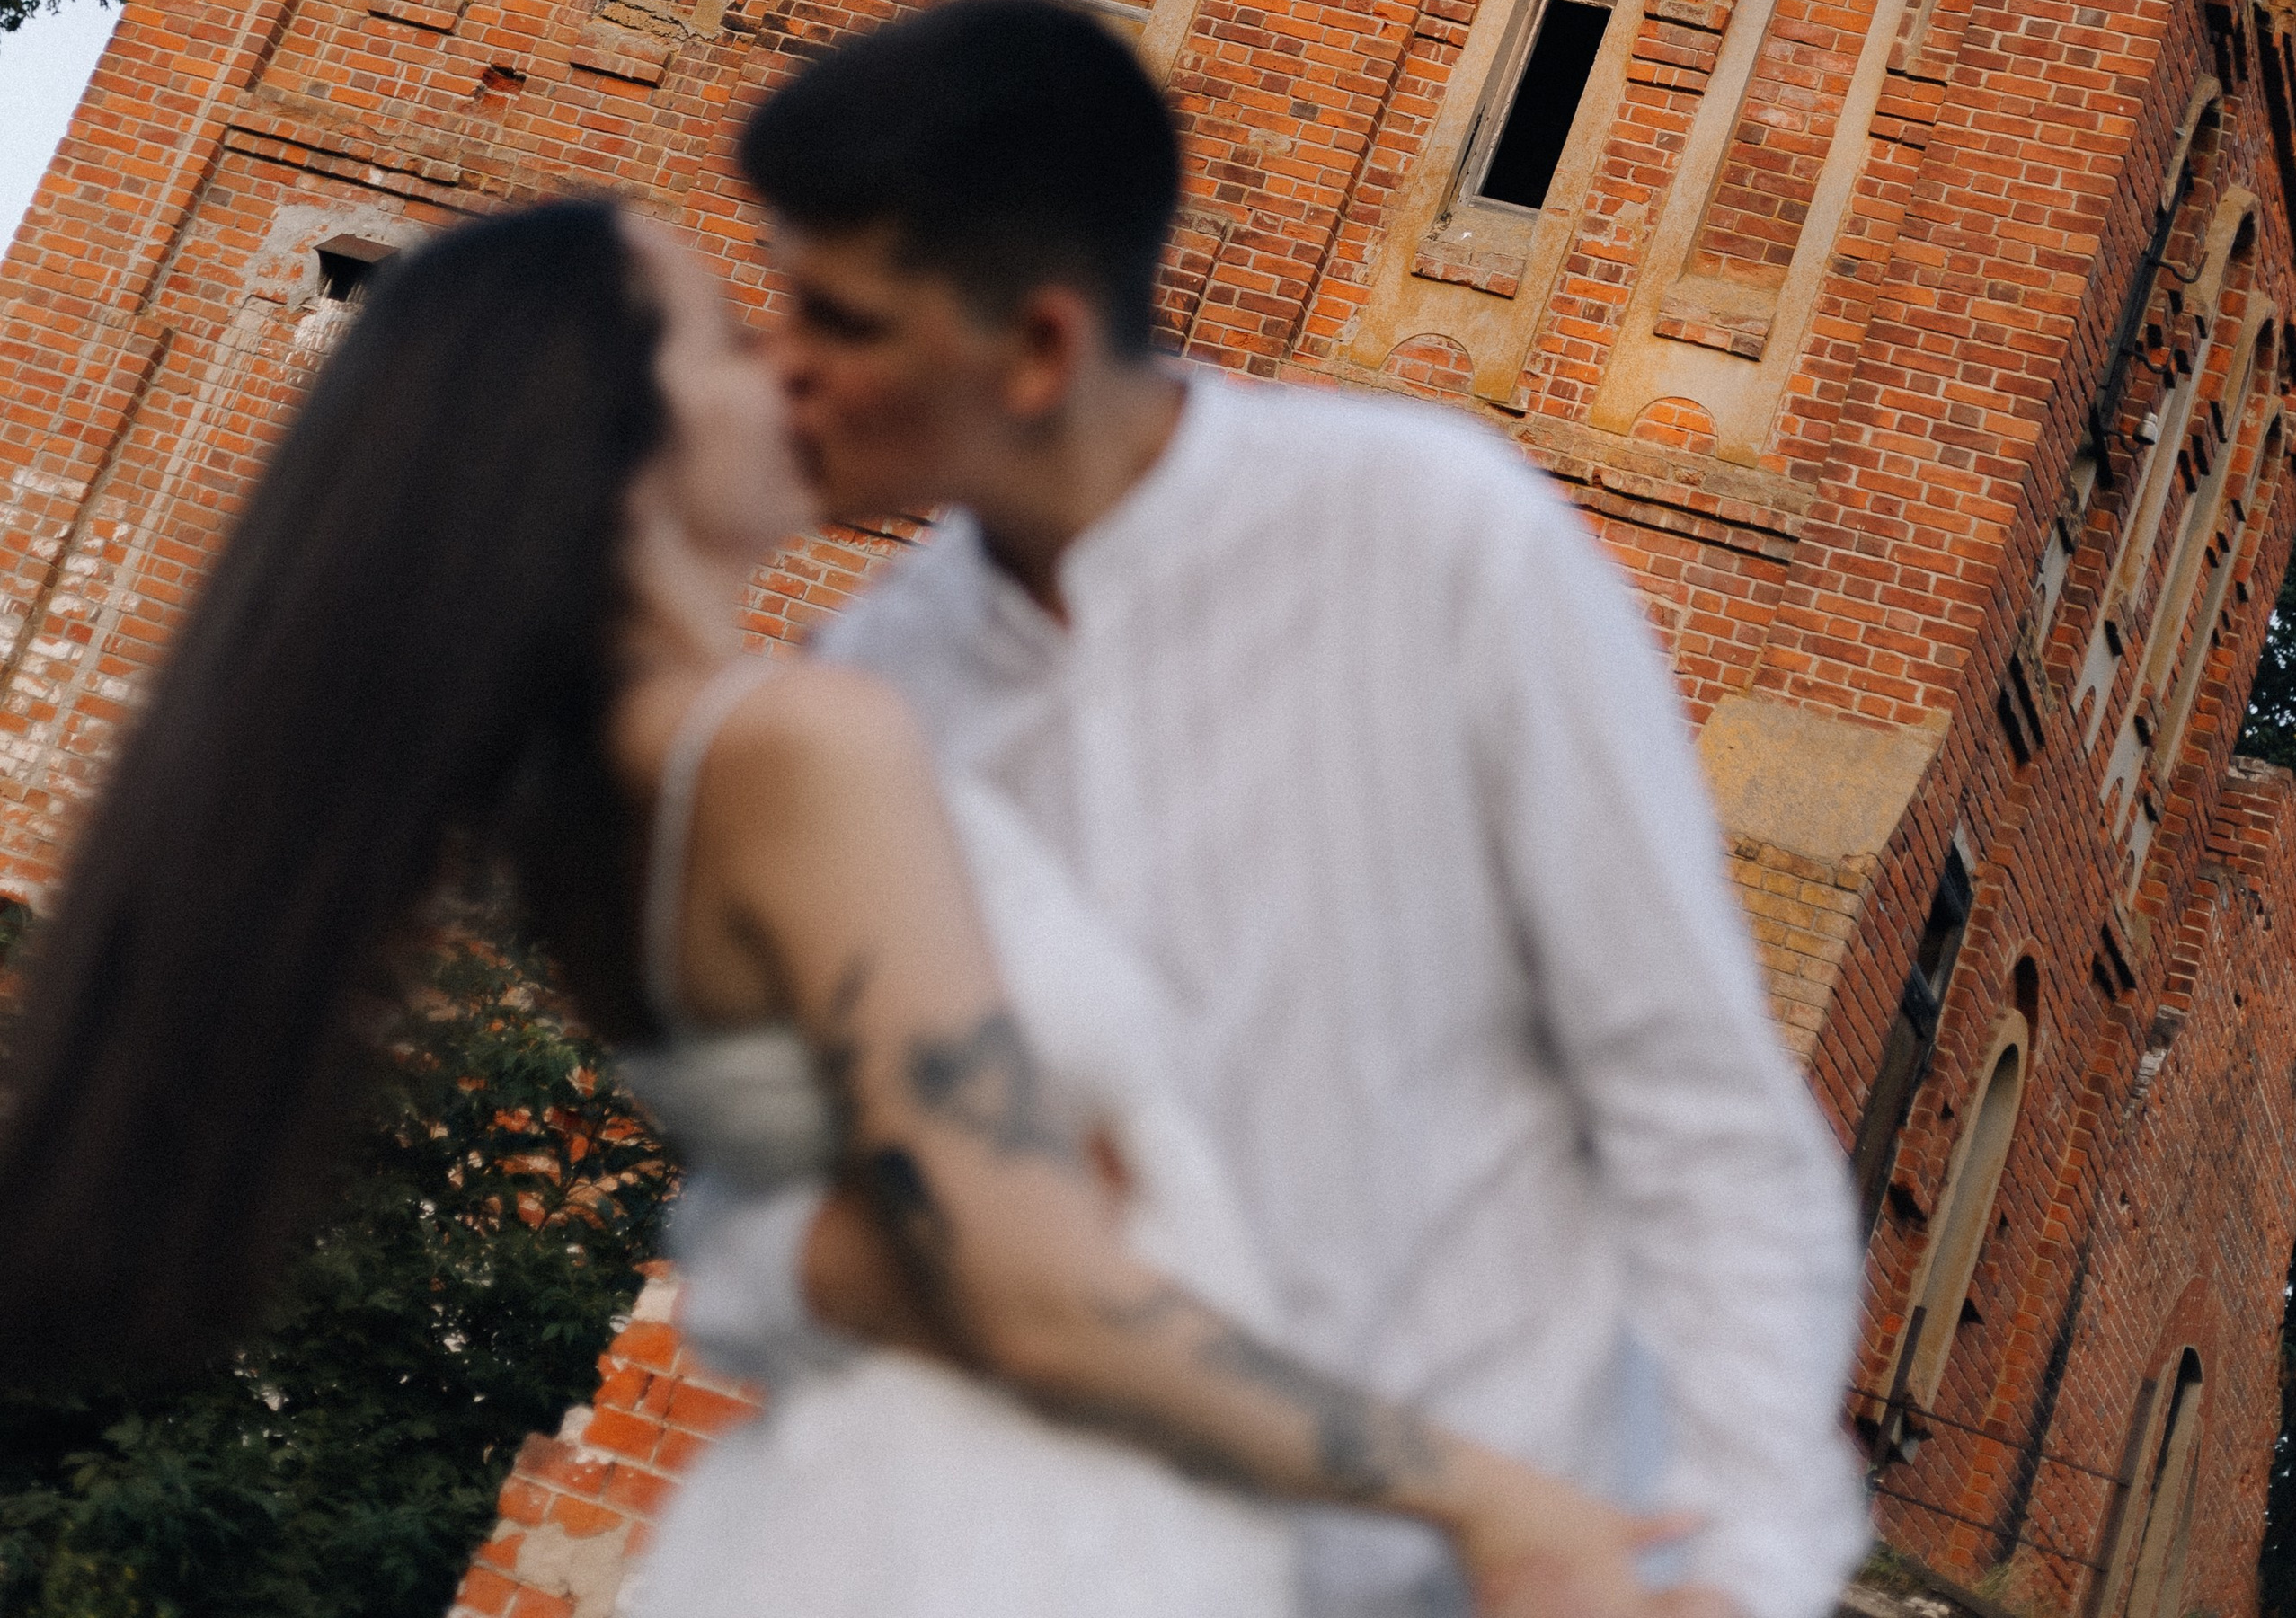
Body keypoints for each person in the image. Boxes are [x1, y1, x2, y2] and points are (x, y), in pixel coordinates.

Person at [0, 195, 1683, 1618]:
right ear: (615, 437)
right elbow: (1025, 1275)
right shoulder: (791, 745)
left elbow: (874, 1241)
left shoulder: (620, 793)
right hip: (990, 1548)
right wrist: (1486, 1501)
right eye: (728, 339)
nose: (787, 369)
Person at [734, 0, 1871, 1618]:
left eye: (835, 321)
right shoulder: (871, 696)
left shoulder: (1435, 543)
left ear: (1039, 348)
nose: (779, 367)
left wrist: (1738, 1564)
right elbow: (811, 1224)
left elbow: (1691, 1098)